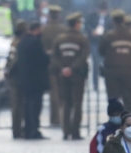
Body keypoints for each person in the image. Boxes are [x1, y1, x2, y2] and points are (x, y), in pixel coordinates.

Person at [52, 12, 89, 140]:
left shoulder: (60, 39)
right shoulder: (82, 39)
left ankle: (66, 131)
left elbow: (55, 56)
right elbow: (83, 56)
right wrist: (72, 68)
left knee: (66, 103)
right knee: (77, 104)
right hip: (77, 75)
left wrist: (63, 69)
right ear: (77, 24)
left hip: (63, 75)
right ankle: (75, 131)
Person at [99, 9, 131, 117]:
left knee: (113, 101)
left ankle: (114, 127)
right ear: (124, 20)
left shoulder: (108, 36)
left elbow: (101, 51)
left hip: (112, 72)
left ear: (113, 21)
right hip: (130, 72)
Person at [17, 21, 50, 140]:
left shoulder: (22, 42)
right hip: (36, 81)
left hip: (25, 80)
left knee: (27, 106)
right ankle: (34, 130)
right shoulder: (36, 42)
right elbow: (43, 59)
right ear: (36, 30)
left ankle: (27, 129)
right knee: (35, 106)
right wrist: (48, 55)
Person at [41, 5, 67, 127]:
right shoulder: (64, 30)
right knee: (63, 92)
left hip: (48, 64)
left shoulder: (43, 30)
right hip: (63, 64)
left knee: (53, 93)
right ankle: (64, 117)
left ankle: (54, 119)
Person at [5, 20, 26, 139]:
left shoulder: (14, 42)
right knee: (19, 105)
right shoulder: (19, 43)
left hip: (15, 77)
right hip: (18, 77)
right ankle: (18, 130)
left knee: (16, 105)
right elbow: (13, 60)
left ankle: (17, 129)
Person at [85, 2, 111, 92]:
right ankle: (95, 84)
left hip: (106, 43)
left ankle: (109, 84)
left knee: (107, 64)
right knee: (95, 64)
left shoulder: (110, 18)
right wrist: (92, 31)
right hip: (95, 42)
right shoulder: (92, 16)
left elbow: (112, 28)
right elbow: (87, 25)